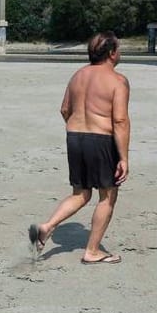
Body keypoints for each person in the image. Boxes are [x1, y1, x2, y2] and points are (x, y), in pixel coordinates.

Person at [28, 32, 130, 265]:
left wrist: (80, 129)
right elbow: (120, 121)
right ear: (112, 53)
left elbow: (65, 110)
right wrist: (123, 157)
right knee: (108, 195)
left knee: (81, 193)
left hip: (75, 137)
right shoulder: (118, 80)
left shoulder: (77, 76)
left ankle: (47, 227)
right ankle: (92, 251)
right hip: (101, 139)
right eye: (119, 49)